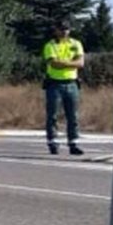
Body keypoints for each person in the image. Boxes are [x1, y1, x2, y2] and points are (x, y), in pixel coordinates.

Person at [43, 20, 86, 155]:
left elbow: (81, 63)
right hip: (54, 83)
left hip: (72, 83)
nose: (64, 32)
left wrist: (64, 63)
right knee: (53, 115)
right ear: (55, 30)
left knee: (73, 115)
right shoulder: (50, 45)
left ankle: (73, 142)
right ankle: (53, 141)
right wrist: (71, 63)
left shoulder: (76, 44)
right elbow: (54, 64)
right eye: (61, 29)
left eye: (66, 29)